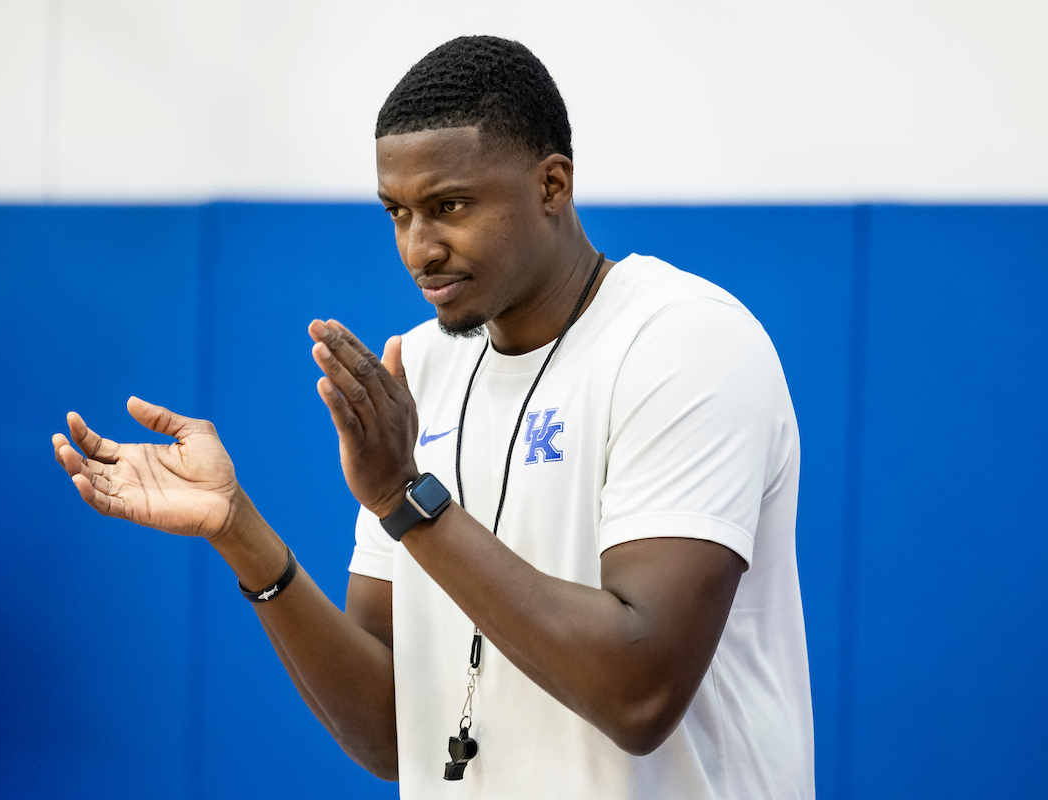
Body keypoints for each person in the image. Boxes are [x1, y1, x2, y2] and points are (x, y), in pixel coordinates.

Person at [52, 35, 813, 799]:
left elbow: (639, 695)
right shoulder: (416, 370)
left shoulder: (683, 343)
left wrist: (405, 500)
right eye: (397, 213)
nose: (419, 249)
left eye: (449, 206)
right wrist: (240, 532)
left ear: (552, 185)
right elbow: (392, 728)